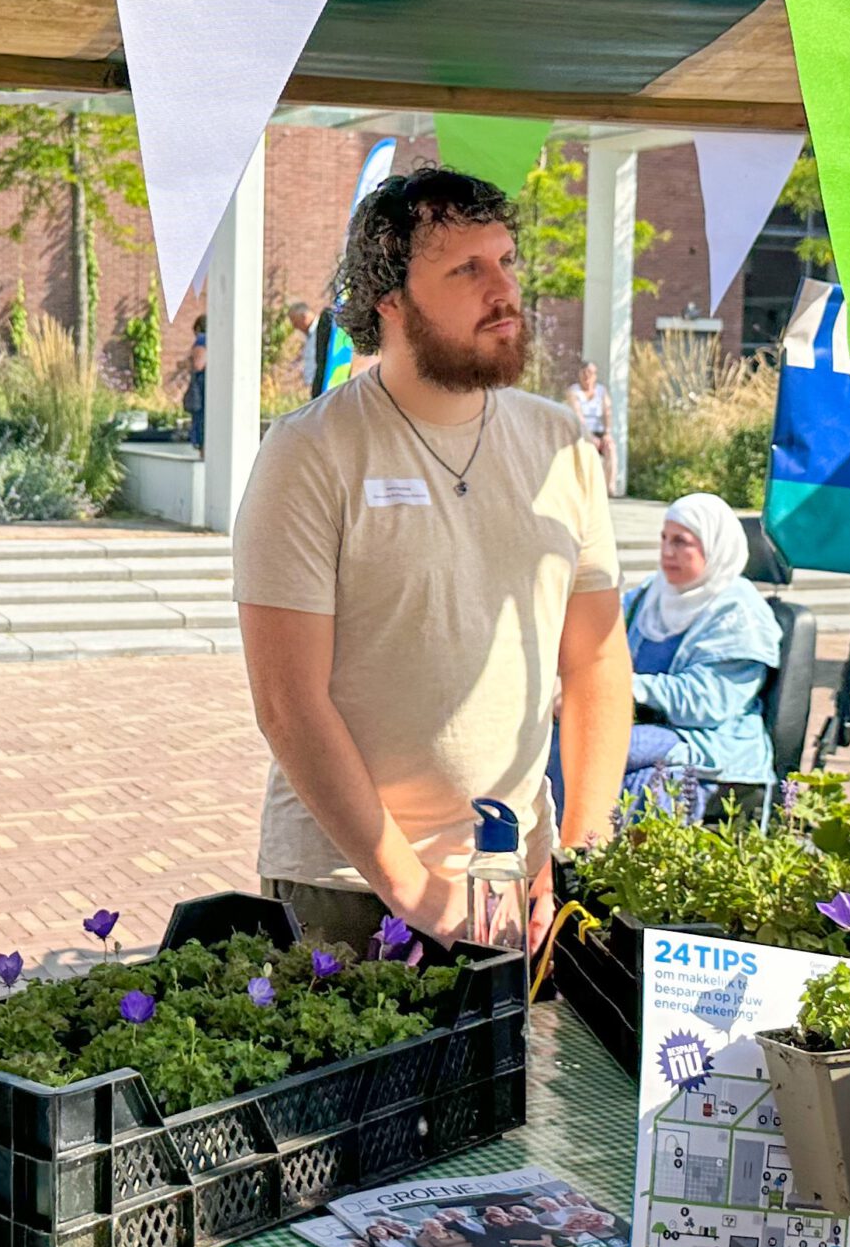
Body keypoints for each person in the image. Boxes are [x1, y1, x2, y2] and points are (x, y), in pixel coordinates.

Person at [234, 168, 628, 945]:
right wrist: (414, 891)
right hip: (346, 889)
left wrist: (578, 854)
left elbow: (596, 660)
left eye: (507, 261)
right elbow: (290, 704)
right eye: (466, 270)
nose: (504, 291)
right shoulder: (309, 453)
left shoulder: (560, 446)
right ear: (391, 298)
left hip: (521, 882)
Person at [622, 493, 781, 808]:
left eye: (681, 542)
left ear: (714, 546)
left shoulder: (739, 612)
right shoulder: (648, 596)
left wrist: (623, 686)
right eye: (664, 539)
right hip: (647, 727)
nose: (667, 551)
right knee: (561, 743)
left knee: (610, 753)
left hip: (711, 744)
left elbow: (704, 703)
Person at [566, 359, 613, 470]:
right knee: (587, 449)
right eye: (584, 373)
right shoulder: (573, 392)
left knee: (610, 448)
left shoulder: (602, 391)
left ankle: (610, 486)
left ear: (595, 375)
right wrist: (589, 436)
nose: (587, 376)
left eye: (590, 373)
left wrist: (607, 434)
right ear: (580, 375)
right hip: (581, 431)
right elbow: (578, 415)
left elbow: (607, 413)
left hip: (599, 432)